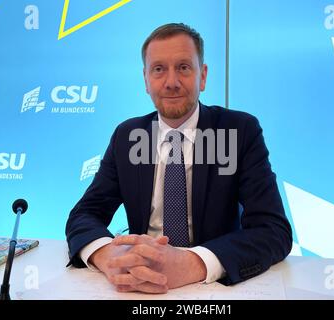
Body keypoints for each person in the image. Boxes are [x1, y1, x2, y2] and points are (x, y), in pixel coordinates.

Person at [65, 23, 292, 294]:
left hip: (212, 288)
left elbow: (273, 230)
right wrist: (107, 257)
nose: (171, 82)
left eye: (183, 67)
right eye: (159, 69)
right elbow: (85, 213)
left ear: (203, 76)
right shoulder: (128, 135)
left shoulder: (239, 131)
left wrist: (191, 263)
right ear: (146, 81)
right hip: (137, 285)